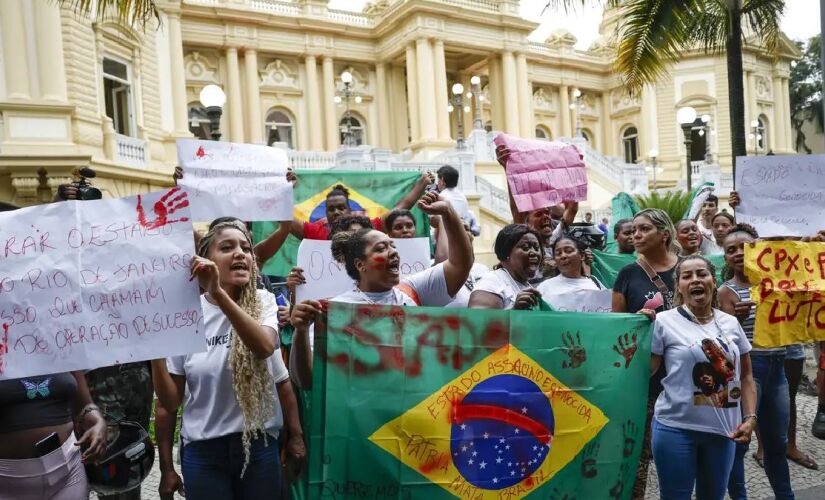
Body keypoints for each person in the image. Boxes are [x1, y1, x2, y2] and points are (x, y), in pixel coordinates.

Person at [151, 220, 305, 499]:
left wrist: (295, 436)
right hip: (203, 454)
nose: (240, 253)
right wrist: (154, 350)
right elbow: (170, 402)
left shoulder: (263, 301)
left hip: (259, 448)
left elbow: (265, 349)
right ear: (205, 260)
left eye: (246, 248)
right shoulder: (184, 314)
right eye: (227, 247)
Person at [288, 192, 473, 387]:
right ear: (360, 265)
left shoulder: (412, 291)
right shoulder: (333, 311)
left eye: (392, 246)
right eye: (381, 248)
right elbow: (306, 380)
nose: (393, 252)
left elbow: (461, 264)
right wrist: (300, 333)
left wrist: (449, 213)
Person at [651, 255, 756, 500]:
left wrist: (750, 417)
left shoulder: (730, 322)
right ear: (679, 286)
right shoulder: (663, 322)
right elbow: (646, 371)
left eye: (702, 274)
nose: (695, 280)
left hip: (724, 431)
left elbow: (748, 375)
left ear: (713, 281)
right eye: (687, 276)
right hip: (676, 428)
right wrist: (633, 331)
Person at [720, 224, 800, 500]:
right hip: (747, 369)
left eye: (745, 247)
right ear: (725, 257)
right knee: (740, 444)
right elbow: (721, 339)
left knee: (777, 443)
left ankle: (785, 496)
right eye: (731, 250)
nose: (738, 253)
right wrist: (736, 320)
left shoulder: (778, 283)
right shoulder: (725, 292)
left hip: (778, 367)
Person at [612, 208, 679, 500]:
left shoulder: (689, 268)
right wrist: (635, 322)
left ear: (664, 234)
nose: (635, 235)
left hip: (685, 377)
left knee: (679, 455)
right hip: (645, 378)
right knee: (639, 455)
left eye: (644, 229)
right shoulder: (627, 273)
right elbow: (615, 329)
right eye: (633, 230)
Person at [0, 371, 108, 499]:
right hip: (5, 482)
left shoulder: (63, 352)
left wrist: (96, 420)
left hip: (69, 476)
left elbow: (84, 405)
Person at [285, 172, 433, 241]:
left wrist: (421, 184)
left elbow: (400, 209)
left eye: (341, 208)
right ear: (325, 212)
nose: (336, 212)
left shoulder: (367, 228)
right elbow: (284, 217)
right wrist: (284, 189)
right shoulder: (315, 232)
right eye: (331, 209)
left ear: (350, 210)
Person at [469, 224, 543, 310]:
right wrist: (514, 310)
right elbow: (478, 321)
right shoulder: (491, 282)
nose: (534, 253)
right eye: (526, 247)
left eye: (537, 248)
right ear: (506, 253)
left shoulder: (527, 286)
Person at [536, 236, 604, 308]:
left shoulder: (594, 282)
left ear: (582, 256)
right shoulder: (545, 288)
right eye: (558, 253)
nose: (563, 256)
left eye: (568, 251)